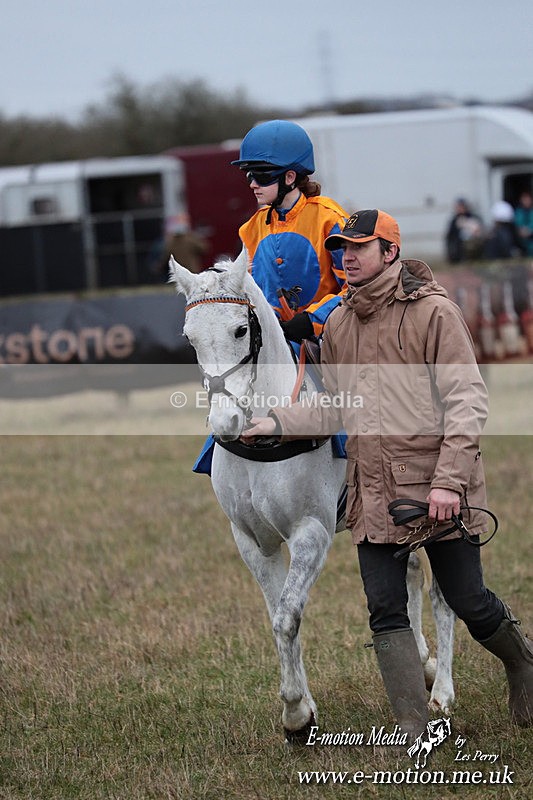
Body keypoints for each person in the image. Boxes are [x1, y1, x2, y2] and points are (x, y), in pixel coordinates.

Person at [243, 209, 533, 739]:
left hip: (437, 489)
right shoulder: (339, 324)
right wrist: (278, 420)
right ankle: (413, 728)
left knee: (470, 601)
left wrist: (449, 481)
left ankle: (522, 664)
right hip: (372, 493)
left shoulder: (434, 314)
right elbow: (337, 408)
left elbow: (467, 402)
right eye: (340, 250)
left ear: (390, 253)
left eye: (359, 248)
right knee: (384, 609)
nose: (346, 258)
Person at [193, 119, 348, 473]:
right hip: (270, 339)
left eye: (260, 175)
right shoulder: (250, 228)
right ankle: (220, 458)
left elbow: (354, 286)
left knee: (353, 395)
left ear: (290, 177)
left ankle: (355, 464)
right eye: (248, 174)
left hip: (324, 338)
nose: (251, 183)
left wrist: (314, 319)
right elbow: (242, 289)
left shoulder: (330, 219)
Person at [444, 198, 484, 263]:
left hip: (473, 242)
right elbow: (450, 236)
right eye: (458, 207)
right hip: (459, 246)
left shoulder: (473, 217)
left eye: (461, 207)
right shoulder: (454, 220)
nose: (460, 209)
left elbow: (479, 230)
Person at [514, 190, 533, 257]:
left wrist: (529, 230)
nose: (526, 201)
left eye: (528, 199)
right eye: (524, 199)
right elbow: (517, 224)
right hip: (522, 241)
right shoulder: (518, 212)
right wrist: (521, 230)